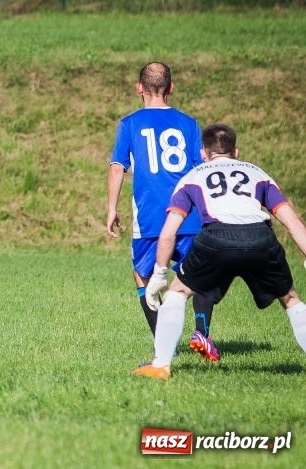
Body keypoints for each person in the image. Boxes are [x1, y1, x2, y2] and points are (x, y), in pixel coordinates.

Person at [133, 123, 306, 378]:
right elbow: (291, 221)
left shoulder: (192, 177)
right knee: (291, 300)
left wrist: (159, 275)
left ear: (204, 153)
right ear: (235, 151)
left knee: (177, 293)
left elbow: (169, 233)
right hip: (261, 238)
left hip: (217, 239)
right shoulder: (258, 174)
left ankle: (160, 365)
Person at [107, 62, 221, 361]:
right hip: (189, 216)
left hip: (151, 217)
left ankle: (163, 348)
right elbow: (203, 170)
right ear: (170, 88)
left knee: (142, 277)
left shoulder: (130, 124)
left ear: (139, 88)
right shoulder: (188, 123)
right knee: (200, 277)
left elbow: (118, 167)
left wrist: (110, 208)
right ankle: (201, 331)